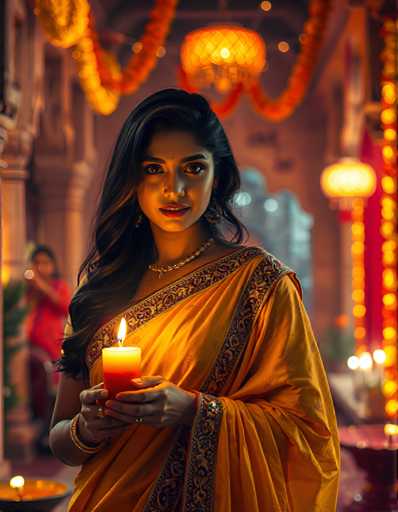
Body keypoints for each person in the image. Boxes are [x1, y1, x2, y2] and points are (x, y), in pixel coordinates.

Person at [49, 89, 340, 511]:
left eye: (193, 168)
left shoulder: (260, 284)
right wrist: (87, 427)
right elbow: (61, 440)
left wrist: (192, 410)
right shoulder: (100, 290)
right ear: (132, 179)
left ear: (216, 176)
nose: (174, 189)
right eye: (154, 169)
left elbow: (308, 432)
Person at [25, 244, 71, 450]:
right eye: (37, 262)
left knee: (52, 389)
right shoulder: (28, 290)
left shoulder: (58, 285)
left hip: (52, 348)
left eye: (45, 262)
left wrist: (41, 286)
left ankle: (48, 434)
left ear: (53, 265)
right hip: (31, 348)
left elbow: (64, 306)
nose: (41, 267)